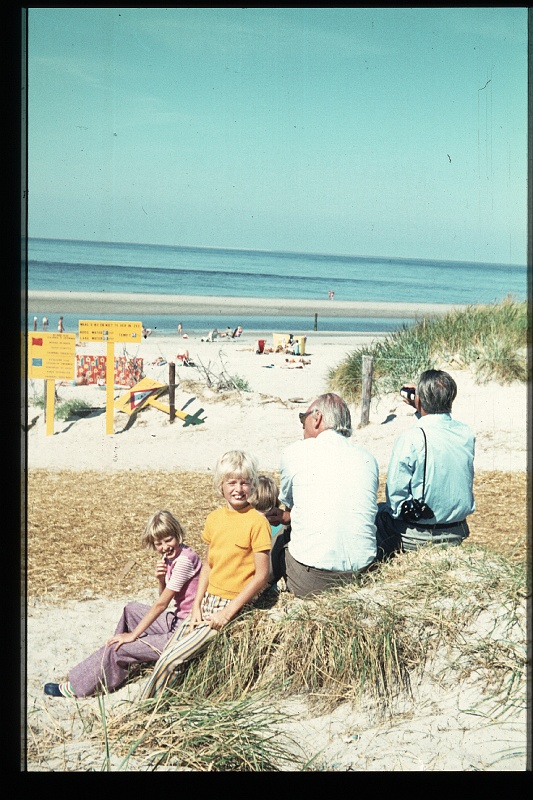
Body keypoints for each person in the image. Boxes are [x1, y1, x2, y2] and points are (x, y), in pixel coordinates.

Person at [140, 450, 272, 699]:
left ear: (253, 484)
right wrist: (197, 605)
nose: (238, 489)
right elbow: (208, 565)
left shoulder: (257, 522)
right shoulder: (214, 519)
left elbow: (261, 576)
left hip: (233, 605)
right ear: (220, 485)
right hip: (208, 601)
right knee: (169, 650)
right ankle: (156, 704)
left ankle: (144, 711)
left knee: (171, 659)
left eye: (244, 482)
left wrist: (228, 613)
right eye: (231, 482)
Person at [43, 510, 202, 698]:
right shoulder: (173, 557)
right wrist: (161, 579)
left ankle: (80, 686)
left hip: (184, 630)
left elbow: (161, 604)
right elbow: (165, 596)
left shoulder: (183, 561)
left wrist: (132, 635)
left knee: (119, 647)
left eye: (168, 540)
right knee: (130, 610)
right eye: (158, 543)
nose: (165, 547)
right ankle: (111, 666)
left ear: (178, 534)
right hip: (178, 620)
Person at [266, 393, 379, 598]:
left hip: (312, 582)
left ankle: (259, 586)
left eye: (303, 419)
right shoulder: (368, 458)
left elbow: (291, 506)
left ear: (317, 418)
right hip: (362, 574)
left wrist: (287, 517)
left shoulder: (296, 452)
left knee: (282, 532)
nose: (302, 426)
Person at [375, 369, 475, 559]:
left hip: (418, 535)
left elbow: (395, 498)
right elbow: (437, 428)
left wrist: (420, 405)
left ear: (419, 400)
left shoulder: (410, 438)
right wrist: (422, 406)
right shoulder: (466, 433)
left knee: (378, 514)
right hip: (457, 531)